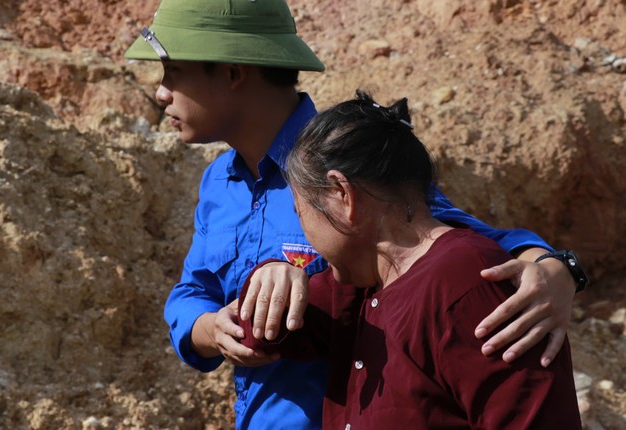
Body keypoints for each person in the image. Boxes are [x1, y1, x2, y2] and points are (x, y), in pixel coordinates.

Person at [123, 0, 584, 428]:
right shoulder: (219, 184)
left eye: (174, 71)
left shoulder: (348, 166)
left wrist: (555, 269)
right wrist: (212, 328)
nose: (161, 93)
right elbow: (193, 293)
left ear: (232, 72)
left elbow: (437, 244)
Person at [238, 91, 582, 429]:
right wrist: (271, 275)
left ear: (342, 195)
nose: (306, 231)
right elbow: (257, 333)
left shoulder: (467, 285)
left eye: (302, 212)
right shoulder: (359, 283)